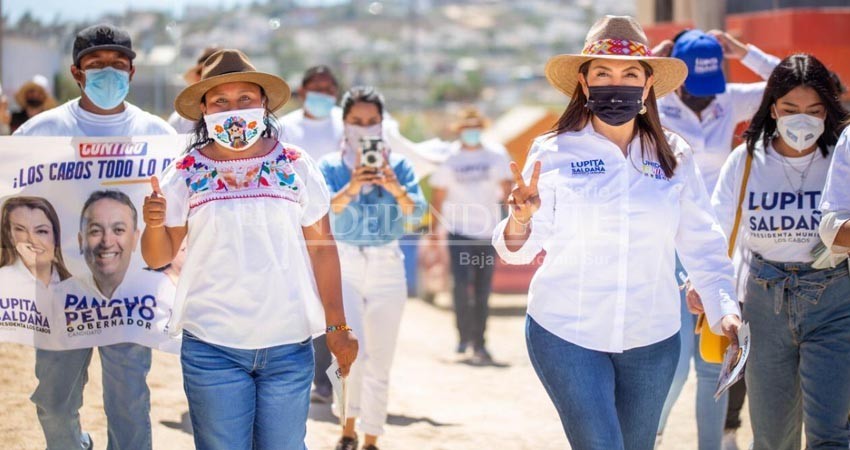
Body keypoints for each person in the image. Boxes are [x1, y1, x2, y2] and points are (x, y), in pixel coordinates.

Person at [491, 16, 742, 449]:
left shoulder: (674, 154)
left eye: (629, 74)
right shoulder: (552, 152)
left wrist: (726, 309)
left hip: (654, 337)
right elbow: (518, 250)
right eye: (602, 73)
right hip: (566, 332)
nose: (616, 83)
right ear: (585, 85)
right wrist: (520, 218)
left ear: (647, 87)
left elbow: (703, 241)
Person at [140, 48, 358, 450]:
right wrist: (153, 224)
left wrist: (338, 326)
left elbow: (323, 250)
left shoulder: (294, 165)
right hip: (211, 345)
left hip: (288, 345)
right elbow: (157, 257)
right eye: (220, 100)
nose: (233, 108)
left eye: (245, 99)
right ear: (203, 109)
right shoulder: (185, 172)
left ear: (263, 104)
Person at [12, 23, 175, 450]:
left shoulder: (157, 137)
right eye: (96, 64)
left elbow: (177, 214)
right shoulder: (40, 134)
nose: (108, 72)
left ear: (132, 72)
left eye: (118, 64)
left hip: (129, 294)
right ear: (77, 72)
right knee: (53, 403)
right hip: (59, 295)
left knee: (129, 404)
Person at [710, 53, 850, 450]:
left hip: (835, 299)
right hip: (763, 301)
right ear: (772, 108)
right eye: (790, 109)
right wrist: (705, 287)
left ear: (829, 111)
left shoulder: (842, 158)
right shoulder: (746, 160)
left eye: (814, 110)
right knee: (773, 437)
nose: (801, 120)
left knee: (832, 434)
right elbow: (717, 230)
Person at [650, 29, 780, 450]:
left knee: (713, 361)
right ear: (678, 74)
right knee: (674, 364)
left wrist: (748, 53)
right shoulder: (654, 104)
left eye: (712, 83)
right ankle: (650, 431)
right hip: (667, 248)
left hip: (718, 247)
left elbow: (801, 83)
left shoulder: (728, 95)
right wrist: (655, 59)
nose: (706, 96)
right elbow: (619, 92)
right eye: (696, 83)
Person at [318, 85, 426, 450]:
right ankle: (346, 426)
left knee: (381, 356)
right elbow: (320, 213)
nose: (364, 129)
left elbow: (420, 214)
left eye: (372, 122)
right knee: (350, 352)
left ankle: (371, 437)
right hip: (344, 263)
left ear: (383, 124)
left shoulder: (400, 166)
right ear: (344, 123)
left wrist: (395, 188)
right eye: (356, 121)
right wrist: (353, 185)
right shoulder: (330, 166)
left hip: (387, 264)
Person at [279, 65, 346, 403]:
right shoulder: (285, 127)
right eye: (316, 86)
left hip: (338, 227)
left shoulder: (344, 124)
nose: (323, 93)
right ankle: (310, 376)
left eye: (329, 87)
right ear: (303, 90)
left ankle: (327, 379)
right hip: (294, 226)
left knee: (330, 297)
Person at [429, 106, 512, 364]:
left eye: (476, 127)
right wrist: (433, 230)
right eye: (467, 128)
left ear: (482, 128)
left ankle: (481, 342)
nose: (471, 132)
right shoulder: (450, 158)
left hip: (487, 233)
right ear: (460, 130)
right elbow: (438, 196)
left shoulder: (496, 154)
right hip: (459, 233)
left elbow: (508, 190)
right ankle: (464, 337)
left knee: (483, 290)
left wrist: (512, 224)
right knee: (461, 287)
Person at [0, 196, 72, 286]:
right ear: (9, 236)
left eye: (41, 231)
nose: (32, 240)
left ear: (55, 236)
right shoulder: (3, 281)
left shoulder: (74, 286)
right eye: (20, 230)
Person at [168, 46, 221, 133]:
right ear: (197, 77)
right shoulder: (179, 120)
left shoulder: (241, 115)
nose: (210, 78)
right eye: (204, 72)